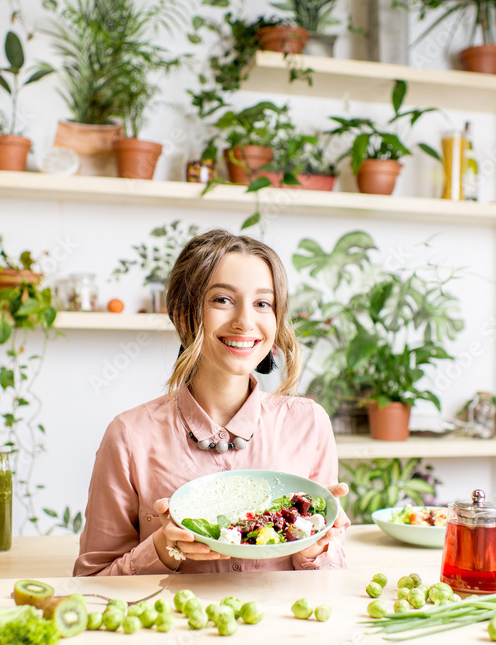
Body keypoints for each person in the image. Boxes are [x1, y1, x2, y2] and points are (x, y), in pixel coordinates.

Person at [74, 229, 350, 576]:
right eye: (222, 300)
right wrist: (161, 549)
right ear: (182, 311)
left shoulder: (308, 423)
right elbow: (91, 580)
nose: (245, 322)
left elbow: (329, 580)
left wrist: (318, 545)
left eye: (263, 303)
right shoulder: (129, 436)